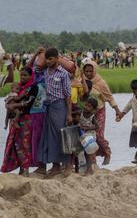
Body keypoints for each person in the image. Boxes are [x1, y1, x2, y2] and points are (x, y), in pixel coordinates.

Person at [37, 48, 72, 178]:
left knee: (61, 135)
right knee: (50, 136)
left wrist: (69, 114)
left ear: (57, 58)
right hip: (49, 107)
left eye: (50, 58)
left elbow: (68, 96)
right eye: (46, 59)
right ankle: (56, 166)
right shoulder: (46, 72)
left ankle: (68, 164)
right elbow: (33, 68)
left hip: (60, 106)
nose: (48, 61)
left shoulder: (63, 74)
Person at [81, 61, 121, 165]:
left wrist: (117, 110)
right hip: (86, 113)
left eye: (91, 71)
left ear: (94, 70)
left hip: (99, 111)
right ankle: (92, 161)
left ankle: (107, 152)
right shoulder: (81, 81)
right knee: (88, 136)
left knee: (98, 135)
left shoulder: (101, 83)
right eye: (86, 71)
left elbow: (109, 97)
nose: (89, 73)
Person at [1, 67, 38, 176]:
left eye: (25, 75)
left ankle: (25, 169)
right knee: (15, 145)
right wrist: (9, 105)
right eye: (21, 75)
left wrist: (14, 105)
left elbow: (28, 102)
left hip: (25, 120)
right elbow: (9, 100)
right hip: (15, 119)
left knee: (24, 145)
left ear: (31, 76)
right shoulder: (19, 87)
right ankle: (21, 169)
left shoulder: (32, 87)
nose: (22, 77)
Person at [79, 98, 99, 175]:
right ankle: (86, 168)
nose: (86, 107)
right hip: (83, 135)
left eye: (89, 106)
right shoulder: (81, 113)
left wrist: (87, 128)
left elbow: (97, 126)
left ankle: (89, 168)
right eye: (86, 105)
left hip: (90, 135)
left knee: (89, 152)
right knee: (83, 152)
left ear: (93, 109)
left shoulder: (92, 116)